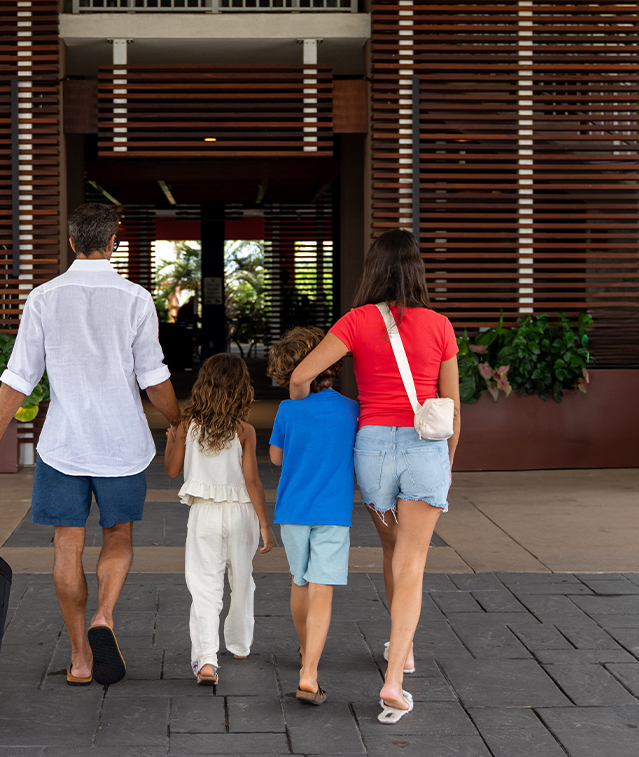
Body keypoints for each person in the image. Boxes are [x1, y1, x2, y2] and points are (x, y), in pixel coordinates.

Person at [0, 202, 181, 687]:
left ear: (70, 242)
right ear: (113, 243)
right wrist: (180, 420)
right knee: (118, 534)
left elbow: (18, 376)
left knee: (67, 545)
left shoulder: (43, 297)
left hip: (62, 445)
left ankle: (81, 657)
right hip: (122, 444)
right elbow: (153, 376)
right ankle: (104, 613)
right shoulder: (135, 299)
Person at [289, 228, 461, 724]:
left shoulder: (357, 321)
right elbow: (451, 410)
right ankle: (394, 677)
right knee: (412, 561)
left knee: (392, 549)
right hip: (424, 448)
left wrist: (309, 424)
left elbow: (301, 377)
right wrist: (443, 464)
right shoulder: (440, 325)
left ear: (373, 270)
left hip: (372, 451)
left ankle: (400, 648)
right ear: (417, 270)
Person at [163, 353, 274, 686]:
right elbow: (252, 481)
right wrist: (265, 523)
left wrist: (171, 441)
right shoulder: (245, 430)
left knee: (204, 587)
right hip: (242, 514)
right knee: (242, 580)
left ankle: (206, 661)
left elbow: (171, 472)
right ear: (241, 389)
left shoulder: (187, 427)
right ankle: (239, 644)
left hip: (204, 516)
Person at [266, 327, 359, 706]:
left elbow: (275, 458)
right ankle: (310, 673)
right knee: (323, 589)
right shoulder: (352, 409)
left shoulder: (288, 409)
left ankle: (306, 651)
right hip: (333, 513)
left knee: (299, 582)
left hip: (292, 512)